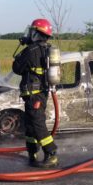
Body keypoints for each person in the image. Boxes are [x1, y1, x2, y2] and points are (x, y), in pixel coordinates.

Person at [12, 18, 58, 168]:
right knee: (30, 125)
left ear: (37, 33)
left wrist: (22, 45)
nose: (29, 34)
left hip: (34, 94)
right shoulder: (45, 49)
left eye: (31, 31)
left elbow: (17, 68)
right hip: (38, 94)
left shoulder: (31, 51)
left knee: (37, 124)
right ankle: (32, 153)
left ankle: (51, 154)